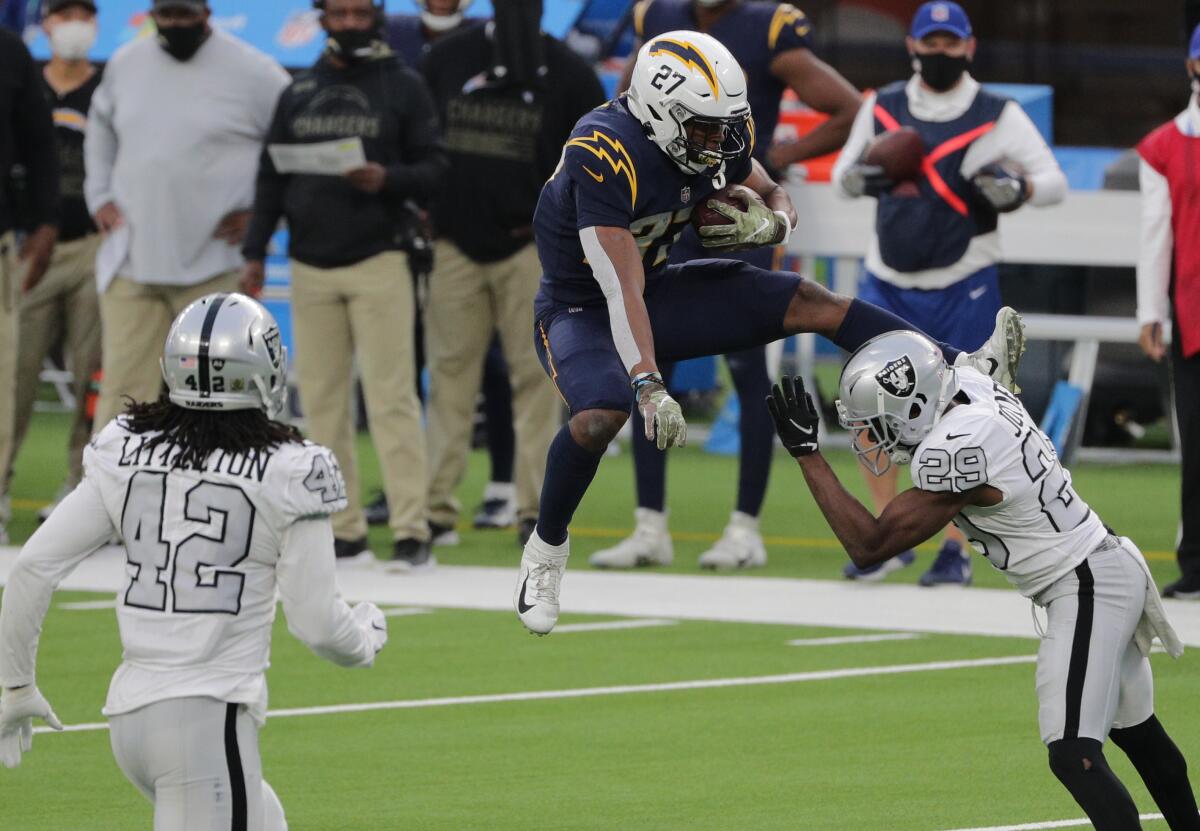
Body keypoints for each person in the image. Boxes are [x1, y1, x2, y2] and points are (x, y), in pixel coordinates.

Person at [514, 30, 1026, 635]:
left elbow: (770, 188)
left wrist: (773, 222)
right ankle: (546, 550)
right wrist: (648, 385)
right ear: (658, 111)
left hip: (657, 289)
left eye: (726, 125)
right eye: (707, 128)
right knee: (602, 413)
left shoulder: (707, 134)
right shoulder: (604, 150)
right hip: (581, 308)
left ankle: (966, 366)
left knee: (812, 301)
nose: (721, 141)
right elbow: (617, 284)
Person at [766, 332, 1198, 831]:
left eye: (879, 423)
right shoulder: (973, 384)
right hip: (1103, 562)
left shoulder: (954, 448)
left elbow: (870, 545)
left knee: (1073, 755)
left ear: (913, 406)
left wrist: (807, 455)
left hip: (1084, 583)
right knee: (1140, 735)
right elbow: (938, 357)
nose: (873, 438)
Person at [0, 293, 388, 830]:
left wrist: (17, 684)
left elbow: (30, 568)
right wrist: (363, 637)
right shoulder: (289, 467)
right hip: (205, 719)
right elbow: (318, 624)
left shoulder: (126, 445)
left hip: (131, 716)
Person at [592, 0, 861, 571]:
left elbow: (847, 106)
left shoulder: (768, 27)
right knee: (649, 361)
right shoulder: (656, 16)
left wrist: (776, 158)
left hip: (729, 215)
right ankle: (650, 525)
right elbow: (621, 104)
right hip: (665, 211)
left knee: (749, 370)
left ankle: (745, 528)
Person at [830, 0, 1066, 586]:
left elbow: (1054, 182)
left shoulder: (997, 113)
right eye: (929, 42)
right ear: (912, 46)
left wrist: (1018, 187)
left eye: (948, 43)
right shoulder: (881, 105)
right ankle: (888, 532)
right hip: (889, 277)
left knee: (962, 417)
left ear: (969, 47)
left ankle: (954, 548)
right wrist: (863, 177)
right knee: (866, 409)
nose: (938, 53)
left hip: (963, 280)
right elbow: (841, 177)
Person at [241, 0, 448, 570]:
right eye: (341, 14)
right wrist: (255, 251)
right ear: (322, 18)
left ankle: (412, 530)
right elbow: (270, 178)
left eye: (362, 13)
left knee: (392, 400)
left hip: (379, 258)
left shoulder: (402, 85)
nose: (352, 24)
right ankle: (344, 528)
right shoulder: (299, 90)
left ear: (377, 18)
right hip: (309, 262)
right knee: (324, 405)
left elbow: (435, 169)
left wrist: (388, 179)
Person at [420, 0, 605, 550]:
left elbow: (599, 160)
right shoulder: (448, 57)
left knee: (540, 379)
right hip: (454, 245)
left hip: (535, 250)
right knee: (449, 376)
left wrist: (565, 230)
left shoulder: (570, 71)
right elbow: (420, 137)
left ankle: (535, 511)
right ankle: (434, 510)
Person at [84, 0, 291, 432]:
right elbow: (99, 130)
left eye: (185, 14)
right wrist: (99, 195)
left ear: (207, 12)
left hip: (216, 265)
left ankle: (230, 496)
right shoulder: (126, 63)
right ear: (153, 14)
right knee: (122, 395)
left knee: (224, 402)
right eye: (167, 14)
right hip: (133, 259)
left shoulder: (257, 71)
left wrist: (261, 214)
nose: (176, 24)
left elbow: (290, 144)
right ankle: (109, 496)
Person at [368, 0, 518, 536]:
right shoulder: (395, 37)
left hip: (490, 229)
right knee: (417, 361)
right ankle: (415, 488)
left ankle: (505, 484)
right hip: (419, 224)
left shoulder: (489, 37)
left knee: (500, 367)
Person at [3, 0, 103, 525]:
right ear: (45, 24)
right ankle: (1, 479)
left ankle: (82, 485)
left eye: (83, 14)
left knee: (93, 375)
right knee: (14, 374)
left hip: (92, 243)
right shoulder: (23, 77)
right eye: (63, 14)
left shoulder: (107, 86)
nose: (73, 25)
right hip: (28, 249)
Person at [1136, 22, 1200, 601]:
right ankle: (1197, 561)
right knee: (1197, 442)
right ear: (1191, 67)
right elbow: (1156, 233)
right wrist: (1150, 310)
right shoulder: (1165, 145)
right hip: (1194, 313)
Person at [0, 15, 60, 542]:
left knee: (3, 379)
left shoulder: (10, 52)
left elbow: (40, 144)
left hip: (0, 240)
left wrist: (44, 222)